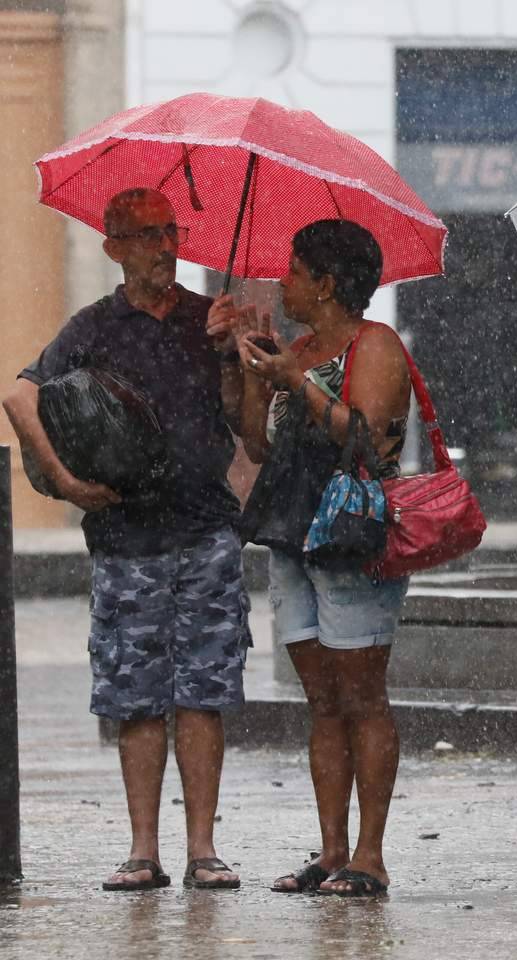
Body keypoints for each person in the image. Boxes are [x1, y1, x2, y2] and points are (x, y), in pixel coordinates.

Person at [3, 188, 248, 890]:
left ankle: (204, 849)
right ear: (114, 248)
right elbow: (20, 396)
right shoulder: (92, 327)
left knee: (204, 692)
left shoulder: (209, 319)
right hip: (126, 538)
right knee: (136, 698)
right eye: (146, 235)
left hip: (205, 530)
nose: (164, 247)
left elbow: (240, 421)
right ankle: (144, 850)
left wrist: (231, 355)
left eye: (171, 232)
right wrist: (66, 483)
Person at [226, 219, 412, 896]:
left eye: (295, 271)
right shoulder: (299, 348)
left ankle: (371, 854)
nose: (283, 281)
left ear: (327, 284)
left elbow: (363, 434)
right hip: (294, 536)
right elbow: (259, 446)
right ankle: (332, 849)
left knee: (363, 696)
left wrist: (296, 381)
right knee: (323, 700)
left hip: (353, 540)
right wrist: (249, 370)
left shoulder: (377, 346)